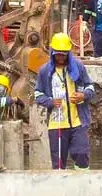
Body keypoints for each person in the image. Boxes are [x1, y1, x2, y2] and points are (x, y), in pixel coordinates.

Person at [34, 32, 96, 170]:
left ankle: (82, 181)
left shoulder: (78, 67)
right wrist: (49, 101)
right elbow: (37, 94)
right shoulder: (45, 71)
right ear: (52, 53)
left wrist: (83, 95)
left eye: (64, 54)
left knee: (81, 153)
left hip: (78, 121)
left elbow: (90, 87)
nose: (61, 57)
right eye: (58, 54)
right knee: (59, 162)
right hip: (57, 123)